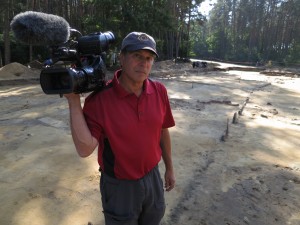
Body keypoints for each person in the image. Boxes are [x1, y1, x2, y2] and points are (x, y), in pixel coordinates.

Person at [64, 31, 176, 225]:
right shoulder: (100, 100)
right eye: (137, 56)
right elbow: (85, 149)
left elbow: (163, 130)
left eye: (149, 58)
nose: (144, 63)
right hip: (120, 186)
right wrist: (74, 101)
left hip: (153, 177)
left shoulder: (159, 91)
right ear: (122, 58)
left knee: (154, 218)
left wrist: (170, 169)